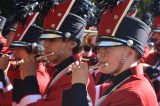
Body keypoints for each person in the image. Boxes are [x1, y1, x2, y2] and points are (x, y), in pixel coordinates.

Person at [63, 16, 159, 106]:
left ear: (130, 53)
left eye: (108, 47)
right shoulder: (123, 83)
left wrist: (79, 86)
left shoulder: (131, 93)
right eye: (99, 48)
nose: (100, 53)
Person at [12, 13, 95, 106]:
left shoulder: (72, 76)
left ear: (72, 44)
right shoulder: (61, 69)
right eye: (45, 40)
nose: (45, 45)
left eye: (52, 40)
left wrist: (30, 78)